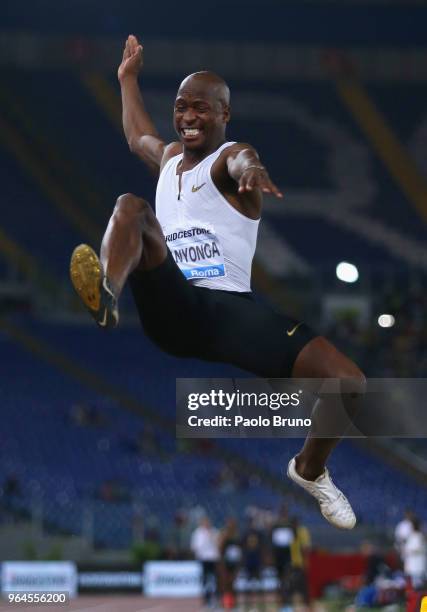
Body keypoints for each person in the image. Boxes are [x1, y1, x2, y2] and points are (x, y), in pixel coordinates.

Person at [70, 34, 365, 529]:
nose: (187, 117)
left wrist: (253, 173)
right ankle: (106, 294)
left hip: (230, 313)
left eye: (201, 109)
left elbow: (241, 161)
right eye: (181, 107)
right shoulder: (166, 161)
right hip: (175, 307)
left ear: (224, 114)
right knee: (132, 209)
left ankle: (310, 470)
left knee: (350, 384)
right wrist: (126, 80)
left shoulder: (231, 155)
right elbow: (135, 134)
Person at [190, 516, 220, 606]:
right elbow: (195, 546)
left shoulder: (215, 531)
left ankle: (215, 597)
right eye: (205, 522)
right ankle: (206, 598)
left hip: (214, 558)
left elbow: (219, 544)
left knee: (215, 579)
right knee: (205, 579)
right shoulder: (198, 533)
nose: (207, 524)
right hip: (204, 559)